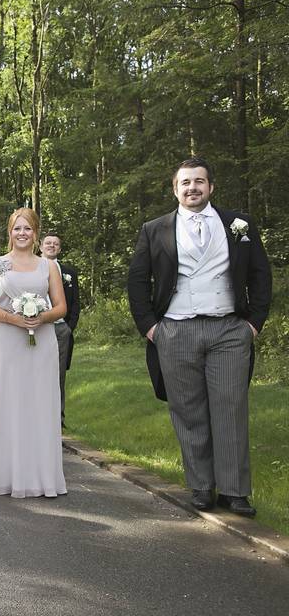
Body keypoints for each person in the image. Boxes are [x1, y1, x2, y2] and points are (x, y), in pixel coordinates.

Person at [127, 157, 272, 517]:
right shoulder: (155, 229)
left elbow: (260, 275)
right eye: (186, 182)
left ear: (211, 187)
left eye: (199, 181)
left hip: (228, 329)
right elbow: (137, 282)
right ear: (175, 189)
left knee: (231, 408)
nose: (193, 188)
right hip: (176, 330)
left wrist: (252, 325)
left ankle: (236, 492)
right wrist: (152, 328)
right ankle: (202, 487)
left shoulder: (239, 226)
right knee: (188, 411)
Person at [0, 208, 67, 498]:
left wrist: (41, 317)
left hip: (42, 341)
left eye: (27, 229)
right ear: (9, 232)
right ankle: (6, 475)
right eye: (17, 228)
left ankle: (42, 476)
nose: (22, 233)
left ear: (36, 233)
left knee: (41, 403)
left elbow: (60, 307)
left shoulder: (48, 267)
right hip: (6, 341)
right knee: (8, 402)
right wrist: (14, 319)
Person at [39, 232, 80, 427]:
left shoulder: (69, 272)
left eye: (56, 244)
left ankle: (58, 417)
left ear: (60, 248)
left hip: (61, 329)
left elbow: (76, 303)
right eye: (48, 243)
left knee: (59, 373)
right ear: (40, 246)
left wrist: (69, 327)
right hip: (36, 328)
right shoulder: (32, 268)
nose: (52, 246)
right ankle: (36, 414)